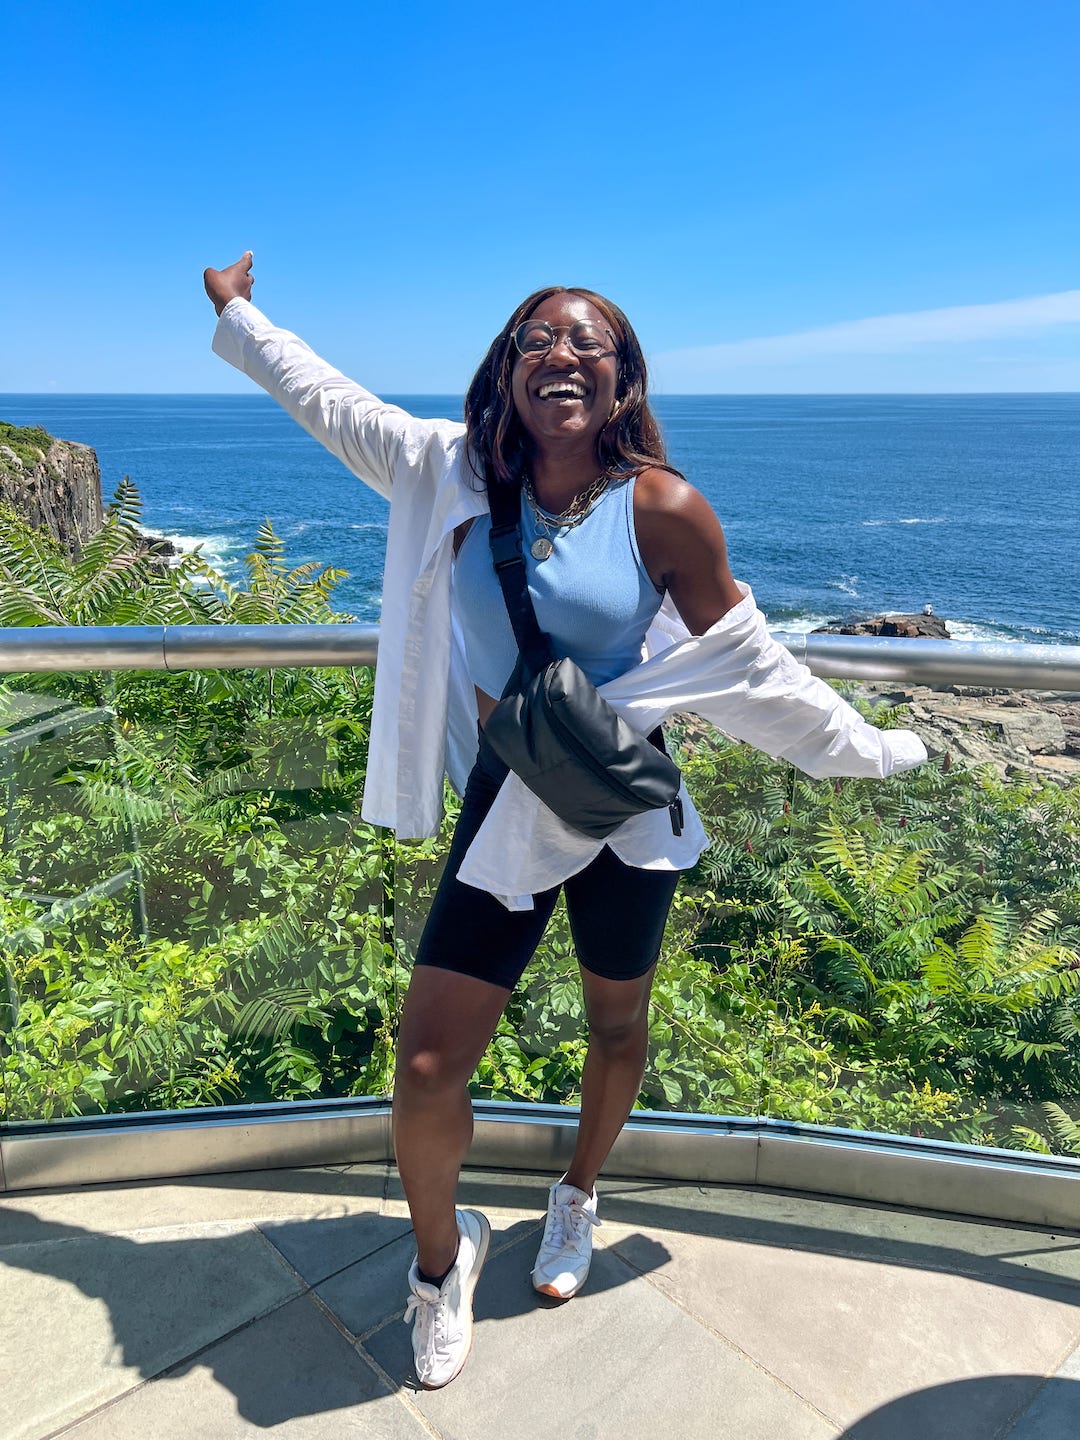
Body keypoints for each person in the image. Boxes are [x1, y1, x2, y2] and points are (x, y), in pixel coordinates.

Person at [203, 253, 927, 1389]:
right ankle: (442, 1265)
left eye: (589, 343)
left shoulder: (663, 507)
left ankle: (578, 1193)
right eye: (539, 339)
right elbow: (330, 401)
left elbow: (755, 671)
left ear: (623, 379)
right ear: (507, 368)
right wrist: (238, 314)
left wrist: (875, 750)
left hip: (626, 806)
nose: (563, 356)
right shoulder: (444, 469)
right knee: (432, 1064)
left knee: (617, 1025)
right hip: (509, 802)